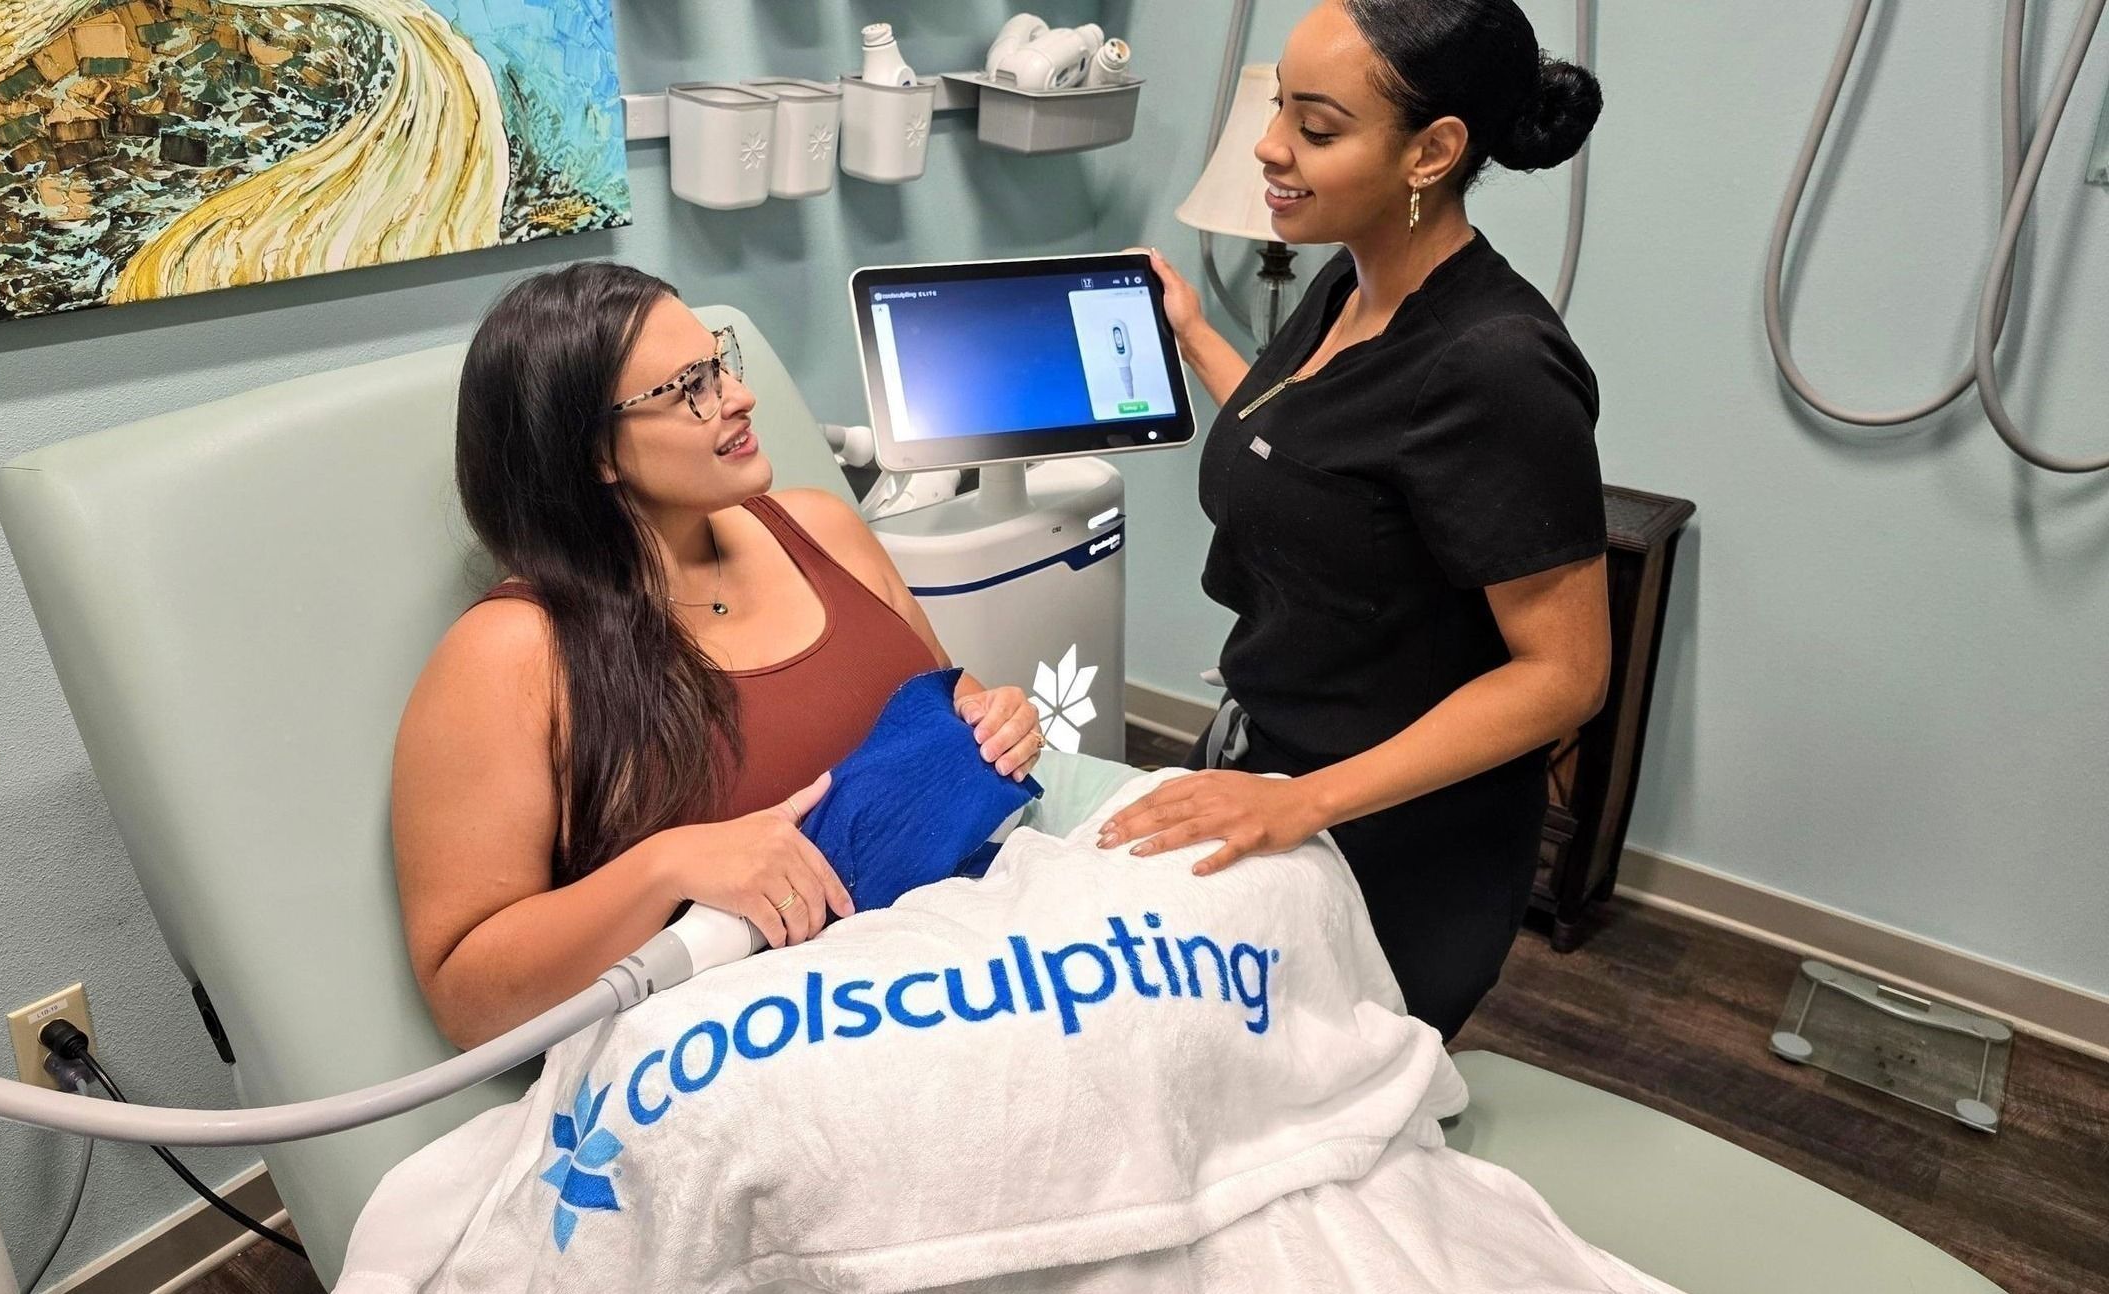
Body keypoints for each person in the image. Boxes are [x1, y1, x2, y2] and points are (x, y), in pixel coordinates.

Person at [1101, 0, 1611, 1039]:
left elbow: (1564, 676)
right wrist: (1194, 335)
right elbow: (1316, 459)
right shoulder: (1351, 282)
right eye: (1276, 104)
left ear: (1432, 150)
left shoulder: (1496, 366)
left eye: (1316, 127)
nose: (1268, 146)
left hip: (1390, 842)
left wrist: (1302, 803)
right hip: (1272, 770)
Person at [391, 263, 1043, 1048]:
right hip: (767, 1055)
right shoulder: (511, 655)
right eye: (690, 386)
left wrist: (998, 721)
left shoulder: (822, 529)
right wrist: (669, 866)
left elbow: (949, 700)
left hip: (978, 966)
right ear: (595, 452)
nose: (738, 395)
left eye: (720, 360)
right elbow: (466, 999)